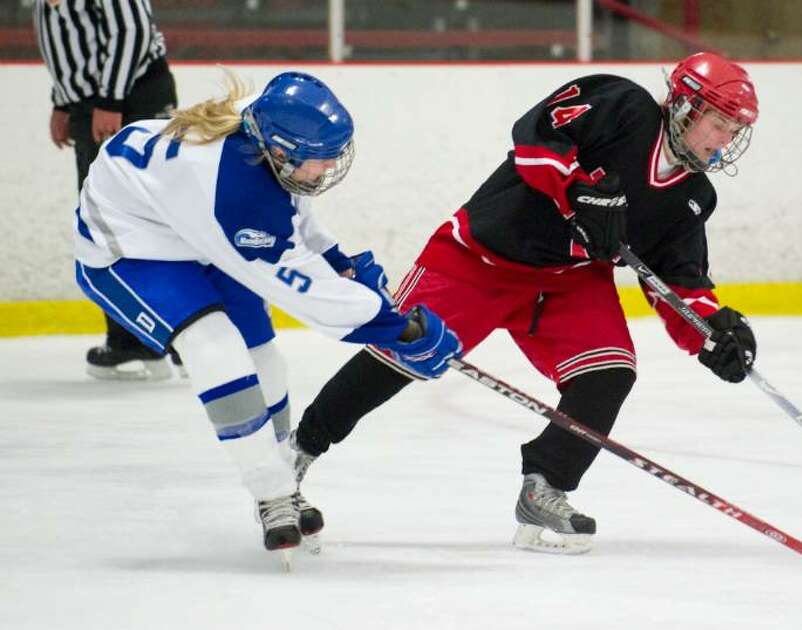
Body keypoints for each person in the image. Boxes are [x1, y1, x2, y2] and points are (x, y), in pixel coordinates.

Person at [290, 52, 760, 554]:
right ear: (685, 106)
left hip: (567, 282)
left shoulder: (692, 195)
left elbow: (677, 279)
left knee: (609, 372)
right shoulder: (622, 106)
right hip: (480, 257)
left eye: (734, 131)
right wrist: (577, 191)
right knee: (400, 353)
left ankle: (545, 487)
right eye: (718, 123)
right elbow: (534, 136)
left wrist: (711, 332)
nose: (724, 141)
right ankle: (296, 453)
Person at [73, 70, 462, 561]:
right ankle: (270, 491)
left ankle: (279, 473)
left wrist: (337, 261)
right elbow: (304, 294)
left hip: (190, 226)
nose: (325, 170)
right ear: (279, 151)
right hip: (128, 246)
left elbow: (292, 215)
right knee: (215, 347)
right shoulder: (229, 192)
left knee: (263, 356)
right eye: (317, 163)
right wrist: (398, 330)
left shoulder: (267, 124)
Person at [34, 0, 181, 381]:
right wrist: (63, 101)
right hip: (97, 102)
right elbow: (64, 34)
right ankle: (136, 338)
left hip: (131, 98)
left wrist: (110, 99)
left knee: (155, 217)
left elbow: (130, 29)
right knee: (105, 221)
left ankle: (180, 334)